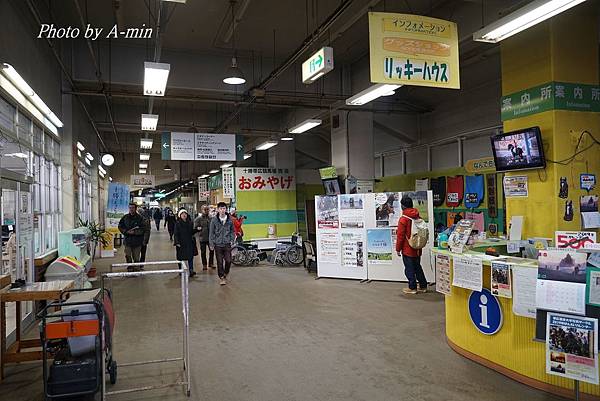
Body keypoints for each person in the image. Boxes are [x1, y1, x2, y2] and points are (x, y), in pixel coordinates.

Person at [396, 196, 428, 295]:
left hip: (408, 248)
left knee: (409, 269)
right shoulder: (418, 216)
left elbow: (400, 236)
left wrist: (398, 249)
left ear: (402, 206)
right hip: (418, 248)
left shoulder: (403, 219)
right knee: (417, 267)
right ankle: (423, 286)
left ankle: (412, 287)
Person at [209, 202, 235, 286]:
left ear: (226, 209)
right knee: (219, 262)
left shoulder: (230, 220)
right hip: (218, 244)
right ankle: (222, 278)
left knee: (228, 260)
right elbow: (211, 233)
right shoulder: (214, 220)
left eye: (224, 208)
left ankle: (226, 272)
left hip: (227, 243)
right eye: (220, 208)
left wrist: (231, 239)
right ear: (218, 210)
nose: (222, 210)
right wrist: (211, 244)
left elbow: (232, 231)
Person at [118, 203, 146, 268]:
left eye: (133, 208)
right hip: (127, 241)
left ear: (135, 208)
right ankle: (130, 267)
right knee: (127, 255)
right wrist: (125, 231)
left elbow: (143, 229)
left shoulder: (140, 218)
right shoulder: (125, 217)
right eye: (130, 208)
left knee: (136, 257)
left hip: (137, 241)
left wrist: (134, 232)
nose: (131, 209)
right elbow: (120, 226)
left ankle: (136, 268)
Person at [174, 209, 197, 277]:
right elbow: (176, 234)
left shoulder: (190, 223)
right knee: (180, 257)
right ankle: (180, 270)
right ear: (180, 215)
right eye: (182, 214)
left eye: (185, 214)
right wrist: (177, 242)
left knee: (190, 257)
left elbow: (191, 232)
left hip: (189, 242)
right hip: (181, 243)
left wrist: (196, 230)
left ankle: (191, 270)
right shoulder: (177, 224)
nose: (184, 215)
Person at [194, 205, 214, 271]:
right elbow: (195, 227)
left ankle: (211, 263)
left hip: (210, 238)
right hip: (202, 238)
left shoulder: (211, 218)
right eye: (205, 209)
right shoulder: (198, 219)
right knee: (203, 252)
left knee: (212, 251)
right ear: (202, 210)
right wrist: (198, 228)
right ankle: (204, 265)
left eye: (207, 209)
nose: (206, 211)